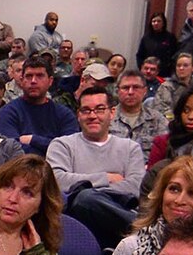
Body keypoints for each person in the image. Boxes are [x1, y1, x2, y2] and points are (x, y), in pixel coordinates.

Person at [48, 82, 146, 245]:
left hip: (118, 219)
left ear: (112, 112)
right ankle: (146, 230)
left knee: (85, 196)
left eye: (100, 109)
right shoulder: (62, 145)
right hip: (75, 223)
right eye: (86, 110)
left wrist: (93, 194)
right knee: (82, 199)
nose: (92, 116)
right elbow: (56, 181)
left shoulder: (130, 148)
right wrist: (106, 178)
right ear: (78, 115)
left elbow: (135, 187)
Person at [0, 57, 77, 156]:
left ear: (50, 81)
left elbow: (70, 150)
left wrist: (34, 139)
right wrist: (50, 145)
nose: (33, 81)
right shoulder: (7, 113)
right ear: (21, 80)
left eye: (40, 76)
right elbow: (10, 151)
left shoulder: (65, 115)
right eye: (29, 76)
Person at [109, 71, 166, 156]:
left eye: (136, 87)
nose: (130, 92)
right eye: (125, 88)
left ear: (145, 91)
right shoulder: (107, 118)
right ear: (117, 91)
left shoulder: (157, 120)